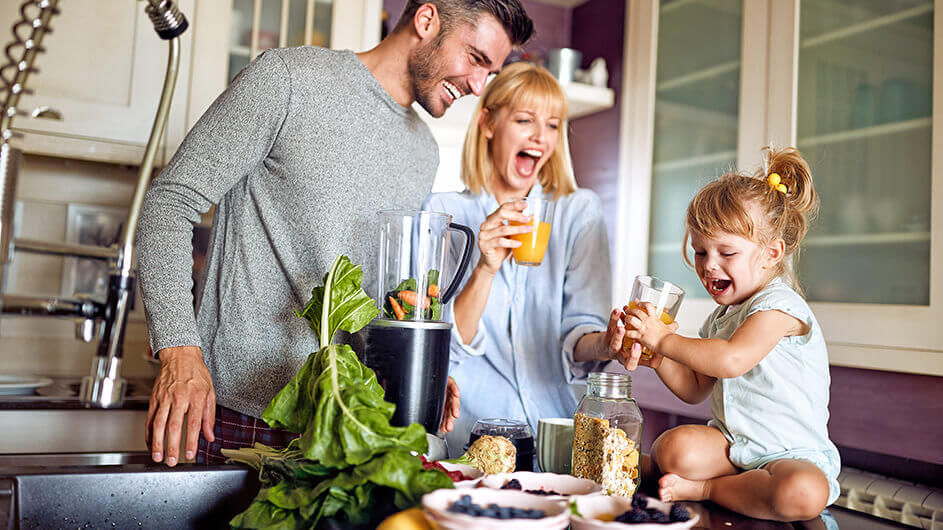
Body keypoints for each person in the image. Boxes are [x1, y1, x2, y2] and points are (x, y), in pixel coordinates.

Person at [136, 0, 534, 466]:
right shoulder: (288, 79)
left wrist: (411, 367)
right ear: (427, 21)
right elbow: (170, 201)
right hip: (238, 417)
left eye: (492, 71)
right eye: (476, 59)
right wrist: (180, 351)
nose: (479, 86)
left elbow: (373, 292)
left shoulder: (423, 152)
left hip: (344, 426)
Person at [423, 62, 636, 454]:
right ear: (487, 123)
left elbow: (579, 332)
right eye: (525, 120)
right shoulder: (444, 214)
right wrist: (485, 268)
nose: (541, 136)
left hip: (558, 437)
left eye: (553, 125)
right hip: (473, 437)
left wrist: (606, 343)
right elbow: (442, 350)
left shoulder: (578, 212)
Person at [617, 147, 840, 521]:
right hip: (734, 445)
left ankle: (708, 488)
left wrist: (664, 339)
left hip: (789, 454)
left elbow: (732, 359)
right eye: (701, 252)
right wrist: (660, 359)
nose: (709, 266)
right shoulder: (721, 318)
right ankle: (731, 482)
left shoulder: (780, 306)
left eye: (726, 252)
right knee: (671, 449)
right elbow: (695, 388)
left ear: (771, 254)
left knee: (801, 493)